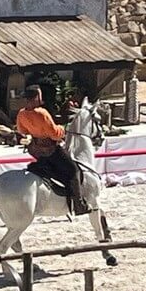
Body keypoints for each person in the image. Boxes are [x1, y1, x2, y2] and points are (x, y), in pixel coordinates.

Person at [15, 84, 87, 215]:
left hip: (35, 150)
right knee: (73, 169)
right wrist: (63, 129)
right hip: (50, 149)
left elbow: (22, 130)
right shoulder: (42, 113)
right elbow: (54, 133)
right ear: (37, 97)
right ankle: (79, 204)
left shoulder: (21, 114)